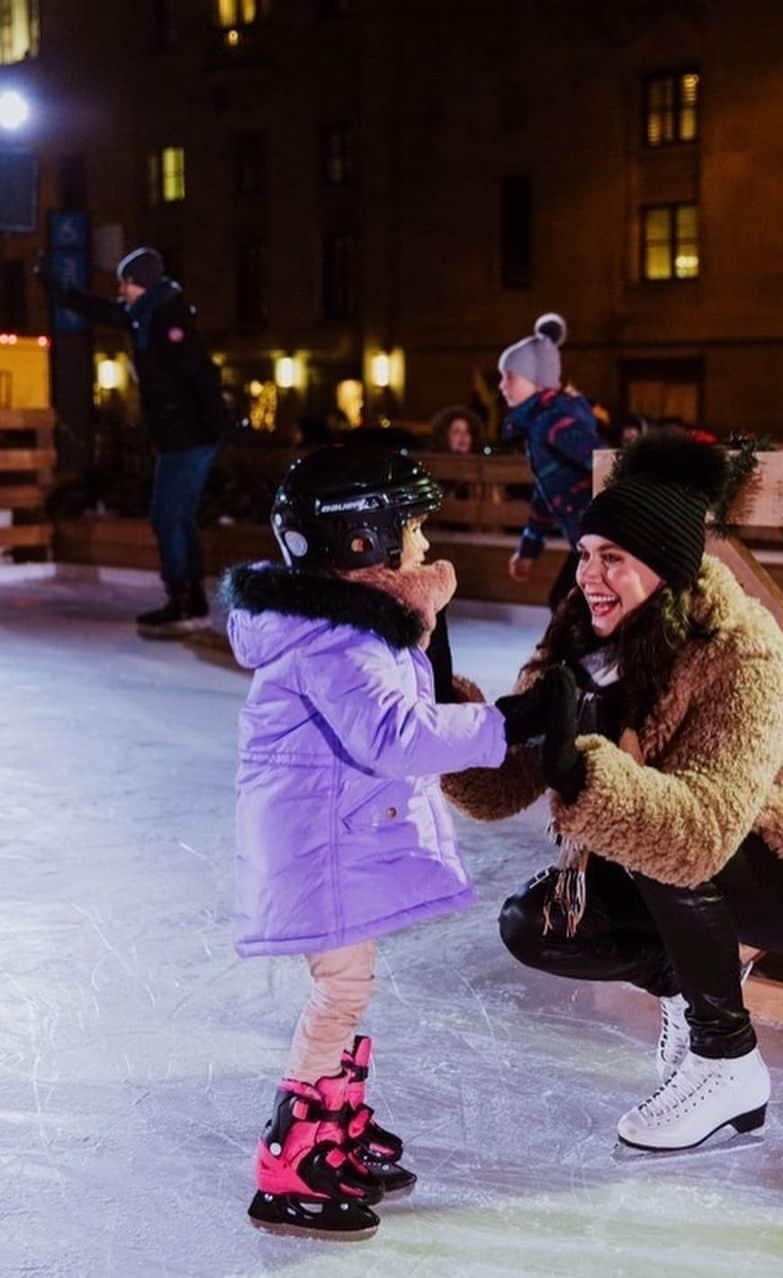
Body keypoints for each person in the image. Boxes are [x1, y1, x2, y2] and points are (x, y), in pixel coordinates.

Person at [443, 432, 783, 1152]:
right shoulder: (582, 634)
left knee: (658, 834)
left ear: (665, 568)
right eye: (584, 555)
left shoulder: (741, 650)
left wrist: (583, 770)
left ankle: (727, 1060)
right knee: (534, 923)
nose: (590, 577)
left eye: (613, 560)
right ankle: (684, 983)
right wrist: (442, 701)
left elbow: (700, 830)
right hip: (670, 857)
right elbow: (499, 785)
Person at [221, 444, 535, 1238]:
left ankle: (335, 1122)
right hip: (316, 848)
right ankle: (293, 1153)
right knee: (342, 989)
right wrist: (504, 728)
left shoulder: (350, 625)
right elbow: (395, 735)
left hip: (327, 836)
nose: (424, 546)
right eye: (413, 529)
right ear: (362, 540)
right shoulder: (335, 638)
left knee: (350, 984)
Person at [38, 247, 226, 637]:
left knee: (169, 516)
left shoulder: (169, 318)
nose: (120, 288)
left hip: (190, 437)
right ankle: (189, 598)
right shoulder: (146, 315)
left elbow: (201, 374)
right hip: (177, 437)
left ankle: (184, 601)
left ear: (141, 282)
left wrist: (215, 428)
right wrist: (62, 292)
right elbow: (108, 312)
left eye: (125, 281)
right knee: (174, 516)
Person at [498, 312, 601, 610]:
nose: (502, 385)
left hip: (603, 539)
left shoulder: (553, 423)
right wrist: (528, 549)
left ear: (537, 380)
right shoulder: (539, 425)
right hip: (589, 540)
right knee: (564, 603)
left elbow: (600, 460)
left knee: (566, 605)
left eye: (510, 377)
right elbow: (546, 498)